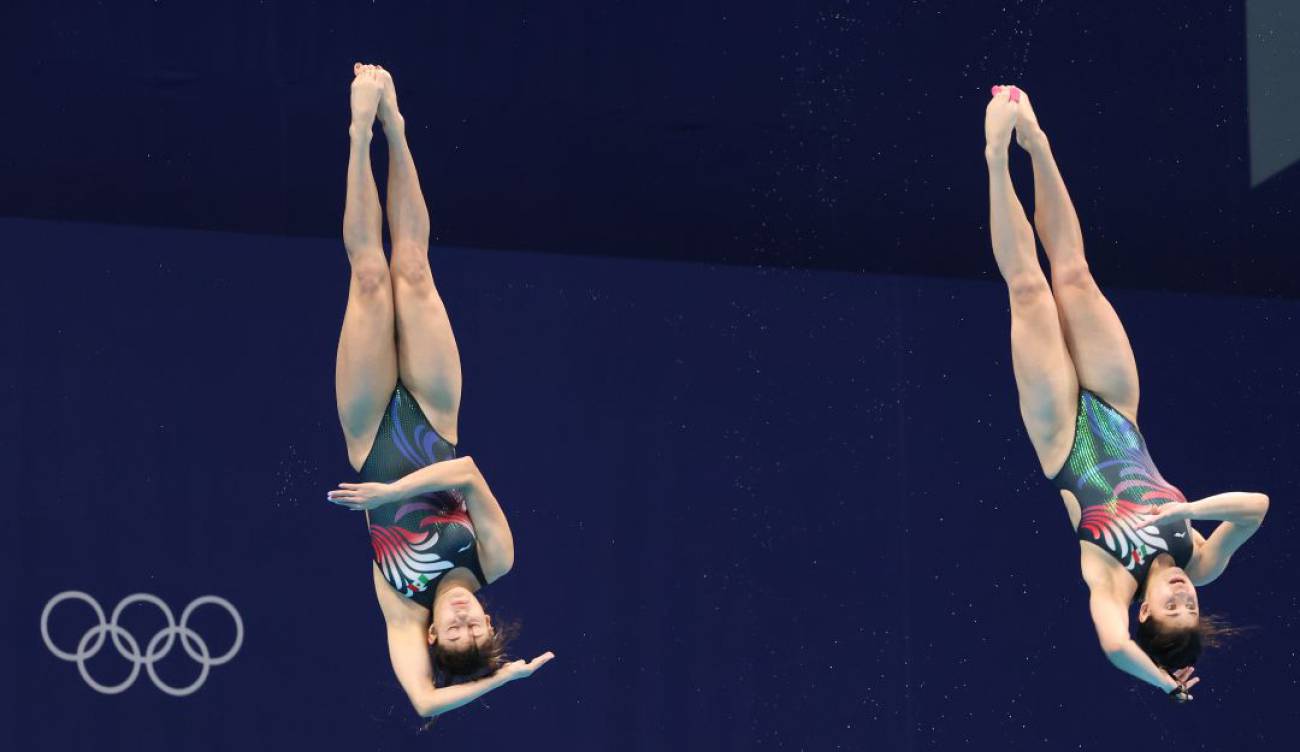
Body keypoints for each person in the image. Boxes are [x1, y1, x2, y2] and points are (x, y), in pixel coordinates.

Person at [982, 84, 1269, 701]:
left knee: (1030, 291)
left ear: (1145, 614)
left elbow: (1113, 647)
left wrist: (1164, 683)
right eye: (1191, 607)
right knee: (1077, 273)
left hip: (1061, 437)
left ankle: (995, 158)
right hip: (1118, 411)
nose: (1184, 597)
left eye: (1173, 610)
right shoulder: (1199, 558)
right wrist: (1189, 514)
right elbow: (1258, 506)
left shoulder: (1112, 582)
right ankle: (1036, 142)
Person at [326, 62, 554, 719]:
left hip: (370, 435)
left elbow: (425, 703)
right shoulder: (495, 562)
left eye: (453, 632)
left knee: (369, 276)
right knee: (413, 270)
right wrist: (395, 494)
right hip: (434, 418)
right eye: (476, 628)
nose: (462, 620)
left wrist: (494, 682)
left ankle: (358, 130)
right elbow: (470, 473)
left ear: (432, 636)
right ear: (486, 616)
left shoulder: (402, 602)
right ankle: (396, 129)